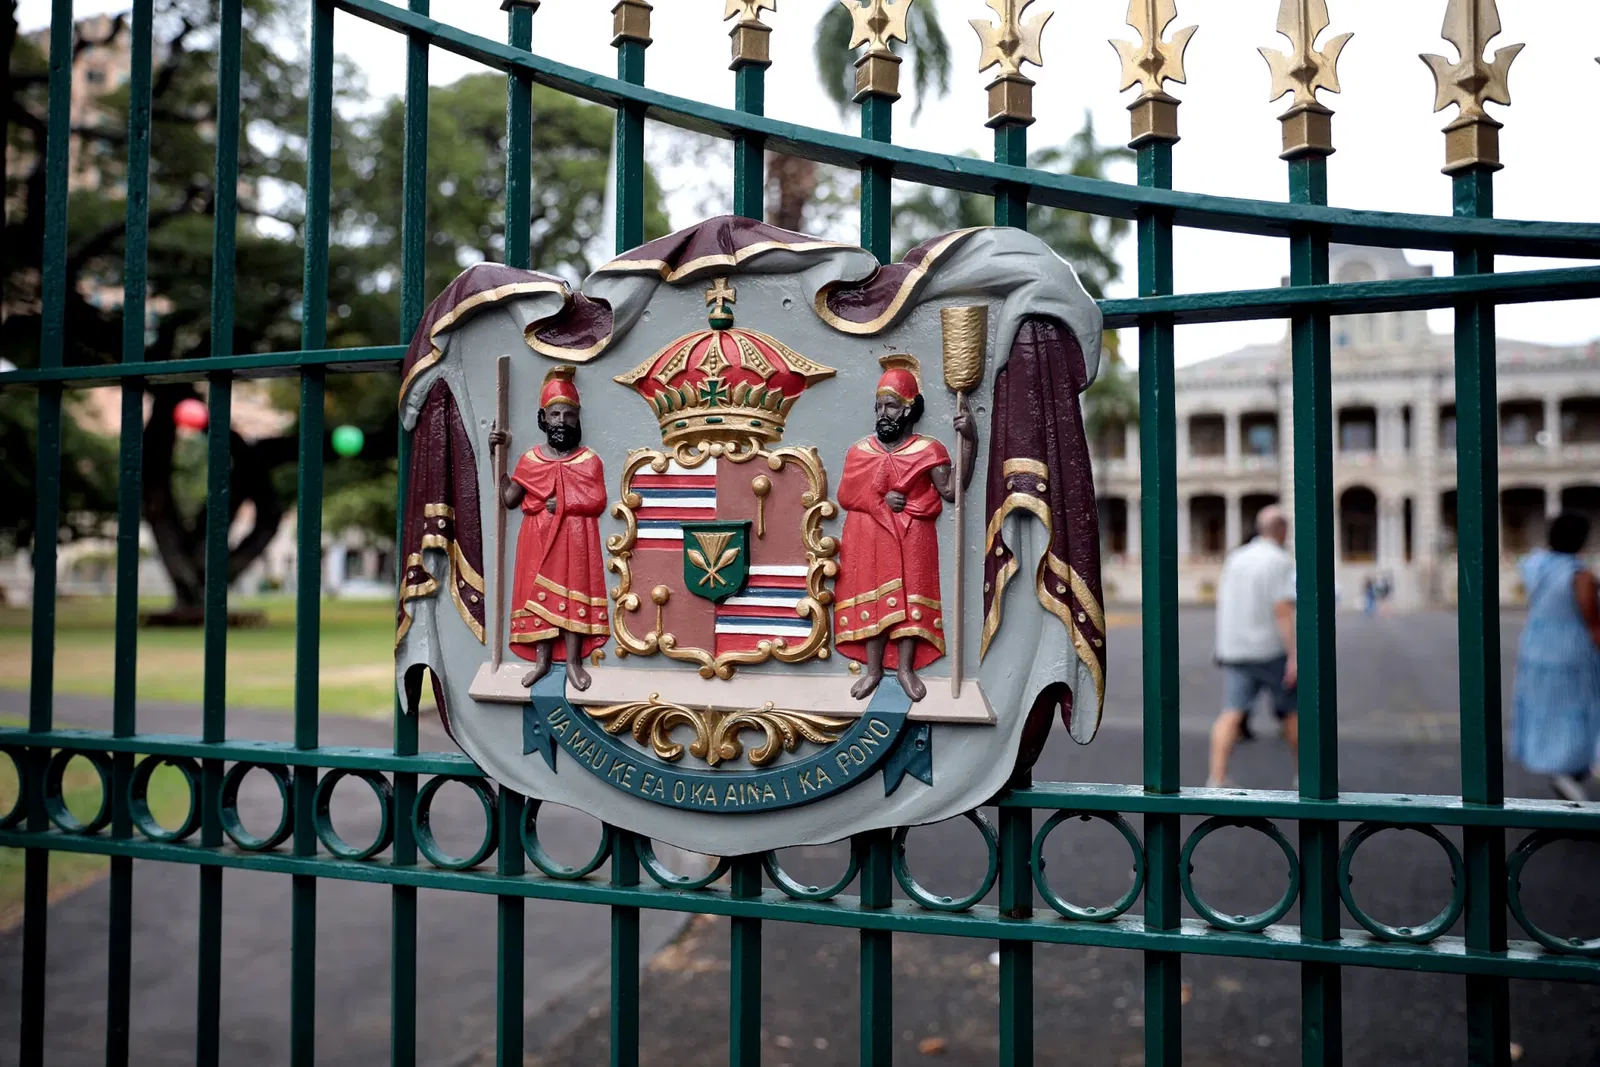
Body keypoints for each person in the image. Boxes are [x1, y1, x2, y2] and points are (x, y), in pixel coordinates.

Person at [835, 354, 975, 702]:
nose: (884, 414)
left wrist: (970, 442)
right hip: (872, 538)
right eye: (879, 406)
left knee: (911, 597)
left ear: (911, 409)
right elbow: (847, 495)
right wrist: (881, 501)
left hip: (914, 536)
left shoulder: (929, 450)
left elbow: (951, 491)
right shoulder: (860, 452)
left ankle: (906, 668)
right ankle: (873, 670)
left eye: (893, 407)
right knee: (877, 597)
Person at [488, 365, 609, 691]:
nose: (561, 422)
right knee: (535, 598)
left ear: (578, 420)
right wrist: (495, 455)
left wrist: (566, 503)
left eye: (569, 416)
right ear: (543, 419)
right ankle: (542, 662)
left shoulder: (588, 461)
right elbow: (509, 498)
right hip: (536, 538)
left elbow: (597, 500)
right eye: (554, 415)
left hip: (572, 539)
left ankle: (572, 662)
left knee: (570, 596)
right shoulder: (530, 460)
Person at [1510, 512, 1600, 802]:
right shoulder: (1580, 574)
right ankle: (1570, 772)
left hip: (1536, 646)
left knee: (1547, 710)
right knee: (1578, 710)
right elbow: (1592, 621)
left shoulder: (1534, 565)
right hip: (1571, 650)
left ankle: (1563, 768)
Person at [1208, 505, 1297, 788]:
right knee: (1292, 713)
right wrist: (1294, 654)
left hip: (1235, 647)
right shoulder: (1280, 560)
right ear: (1283, 531)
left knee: (1232, 711)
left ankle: (1217, 777)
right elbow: (1282, 608)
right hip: (1270, 648)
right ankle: (1307, 774)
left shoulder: (1236, 557)